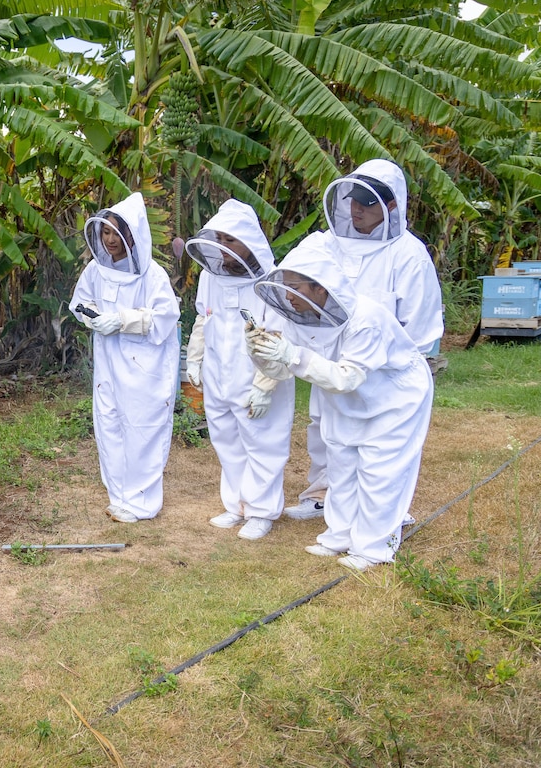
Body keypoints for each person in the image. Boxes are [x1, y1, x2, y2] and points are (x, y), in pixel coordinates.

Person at [245, 248, 433, 570]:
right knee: (342, 466)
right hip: (344, 400)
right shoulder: (300, 318)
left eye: (296, 289)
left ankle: (374, 549)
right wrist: (261, 353)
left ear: (320, 287)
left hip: (394, 399)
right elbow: (283, 370)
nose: (288, 297)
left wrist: (290, 354)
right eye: (285, 288)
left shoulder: (367, 319)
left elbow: (347, 378)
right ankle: (339, 536)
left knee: (379, 471)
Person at [282, 159, 443, 521]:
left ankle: (386, 514)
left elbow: (419, 328)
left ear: (391, 206)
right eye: (352, 201)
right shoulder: (329, 245)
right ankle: (324, 498)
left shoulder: (409, 255)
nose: (356, 210)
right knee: (326, 433)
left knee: (382, 449)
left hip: (385, 374)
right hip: (331, 362)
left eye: (366, 203)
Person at [184, 200, 294, 540]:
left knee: (262, 443)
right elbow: (204, 318)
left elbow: (279, 335)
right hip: (219, 376)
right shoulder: (210, 276)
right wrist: (195, 358)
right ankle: (237, 505)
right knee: (226, 441)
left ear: (249, 241)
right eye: (219, 238)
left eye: (230, 240)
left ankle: (261, 511)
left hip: (256, 380)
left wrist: (264, 384)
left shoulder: (272, 283)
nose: (223, 246)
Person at [69, 193, 180, 522]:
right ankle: (119, 495)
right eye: (106, 233)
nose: (110, 240)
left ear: (132, 235)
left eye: (117, 233)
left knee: (142, 428)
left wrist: (122, 320)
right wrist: (93, 318)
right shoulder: (95, 269)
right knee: (110, 425)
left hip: (144, 365)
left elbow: (165, 317)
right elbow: (80, 304)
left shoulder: (153, 275)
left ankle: (142, 503)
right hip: (108, 363)